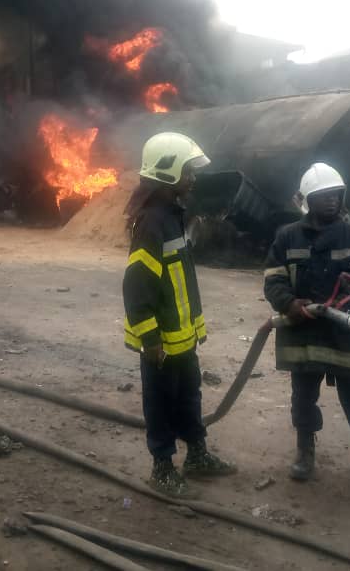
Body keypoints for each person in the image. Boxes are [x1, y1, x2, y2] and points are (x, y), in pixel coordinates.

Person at [263, 163, 350, 491]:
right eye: (324, 196)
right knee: (303, 397)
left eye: (336, 195)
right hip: (303, 332)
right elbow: (273, 280)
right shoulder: (287, 236)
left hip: (346, 334)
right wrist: (291, 304)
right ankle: (305, 453)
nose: (332, 201)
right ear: (307, 199)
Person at [122, 132, 236, 497]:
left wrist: (192, 328)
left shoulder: (173, 216)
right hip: (160, 341)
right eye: (188, 171)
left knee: (189, 394)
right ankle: (162, 467)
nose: (194, 178)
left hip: (181, 335)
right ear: (169, 173)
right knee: (160, 401)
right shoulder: (152, 223)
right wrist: (150, 339)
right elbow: (136, 287)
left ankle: (197, 455)